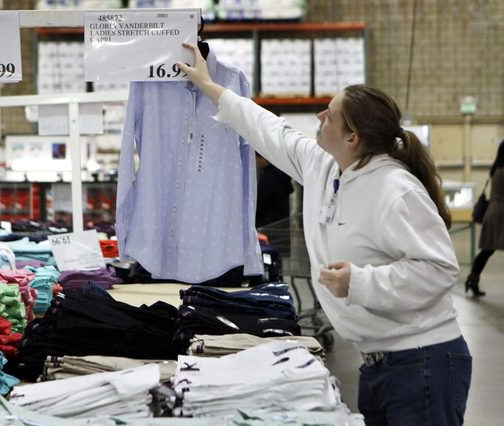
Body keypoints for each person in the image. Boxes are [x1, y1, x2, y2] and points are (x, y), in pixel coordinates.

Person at [178, 43, 472, 425]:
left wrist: (360, 282)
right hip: (378, 363)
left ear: (353, 138)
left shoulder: (395, 190)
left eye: (330, 114)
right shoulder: (324, 166)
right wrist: (209, 84)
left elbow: (439, 269)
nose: (320, 115)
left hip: (423, 362)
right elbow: (269, 129)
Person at [465, 139, 504, 296]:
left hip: (493, 212)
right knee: (487, 250)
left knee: (487, 250)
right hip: (501, 214)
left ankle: (472, 280)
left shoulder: (495, 170)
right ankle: (472, 281)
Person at [255, 152, 294, 227]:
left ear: (266, 158)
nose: (257, 161)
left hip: (267, 224)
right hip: (282, 222)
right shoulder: (282, 174)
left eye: (259, 158)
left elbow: (260, 201)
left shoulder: (268, 178)